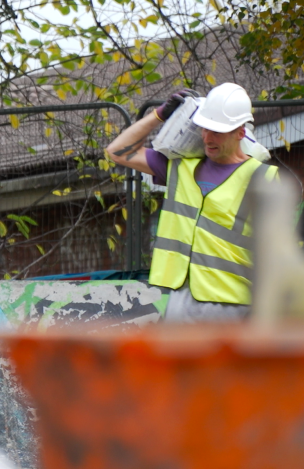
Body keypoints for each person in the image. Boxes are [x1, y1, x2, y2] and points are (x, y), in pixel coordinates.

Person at [106, 82, 278, 322]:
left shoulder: (264, 179)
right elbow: (117, 151)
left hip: (233, 306)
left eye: (217, 131)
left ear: (240, 133)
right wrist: (158, 115)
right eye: (205, 129)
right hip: (175, 298)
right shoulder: (180, 167)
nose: (207, 138)